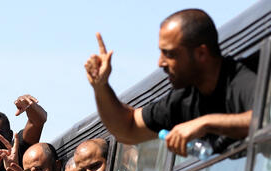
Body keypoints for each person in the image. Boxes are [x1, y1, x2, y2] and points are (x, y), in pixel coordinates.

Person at [85, 9, 256, 156]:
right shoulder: (183, 99)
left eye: (169, 54)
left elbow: (266, 117)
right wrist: (101, 87)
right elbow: (127, 129)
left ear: (201, 54)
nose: (160, 63)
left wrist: (205, 123)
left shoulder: (243, 79)